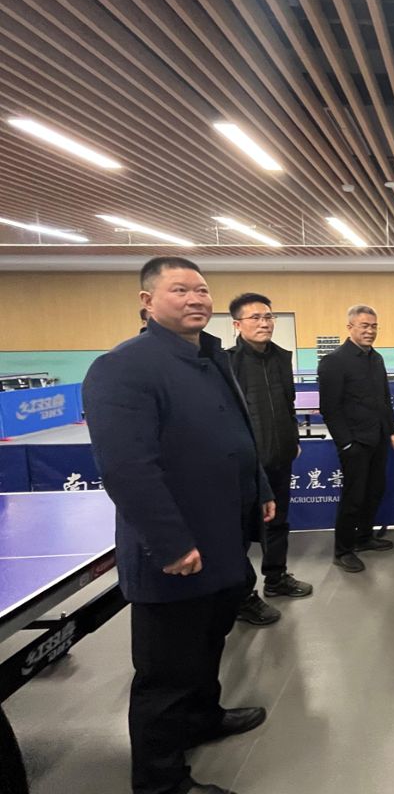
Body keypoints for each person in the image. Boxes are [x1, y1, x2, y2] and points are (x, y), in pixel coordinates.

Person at [83, 256, 271, 794]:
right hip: (175, 549)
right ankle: (160, 781)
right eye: (180, 290)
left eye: (202, 290)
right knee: (166, 671)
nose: (196, 299)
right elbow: (127, 468)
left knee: (208, 643)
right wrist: (169, 543)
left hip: (224, 538)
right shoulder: (123, 367)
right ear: (147, 302)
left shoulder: (212, 357)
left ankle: (203, 718)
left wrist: (260, 488)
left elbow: (239, 435)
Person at [227, 293, 312, 624]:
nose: (264, 323)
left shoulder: (280, 357)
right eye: (256, 318)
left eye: (268, 317)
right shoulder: (227, 362)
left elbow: (288, 404)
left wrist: (293, 438)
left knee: (278, 521)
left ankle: (276, 578)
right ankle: (241, 596)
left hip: (280, 456)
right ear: (237, 325)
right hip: (245, 464)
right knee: (239, 531)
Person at [318, 305, 394, 572]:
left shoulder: (376, 359)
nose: (370, 331)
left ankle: (364, 537)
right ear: (350, 327)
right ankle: (342, 550)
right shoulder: (334, 361)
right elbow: (330, 408)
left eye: (374, 326)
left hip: (378, 438)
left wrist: (392, 430)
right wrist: (346, 443)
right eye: (364, 325)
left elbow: (384, 399)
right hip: (355, 442)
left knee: (374, 491)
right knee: (353, 498)